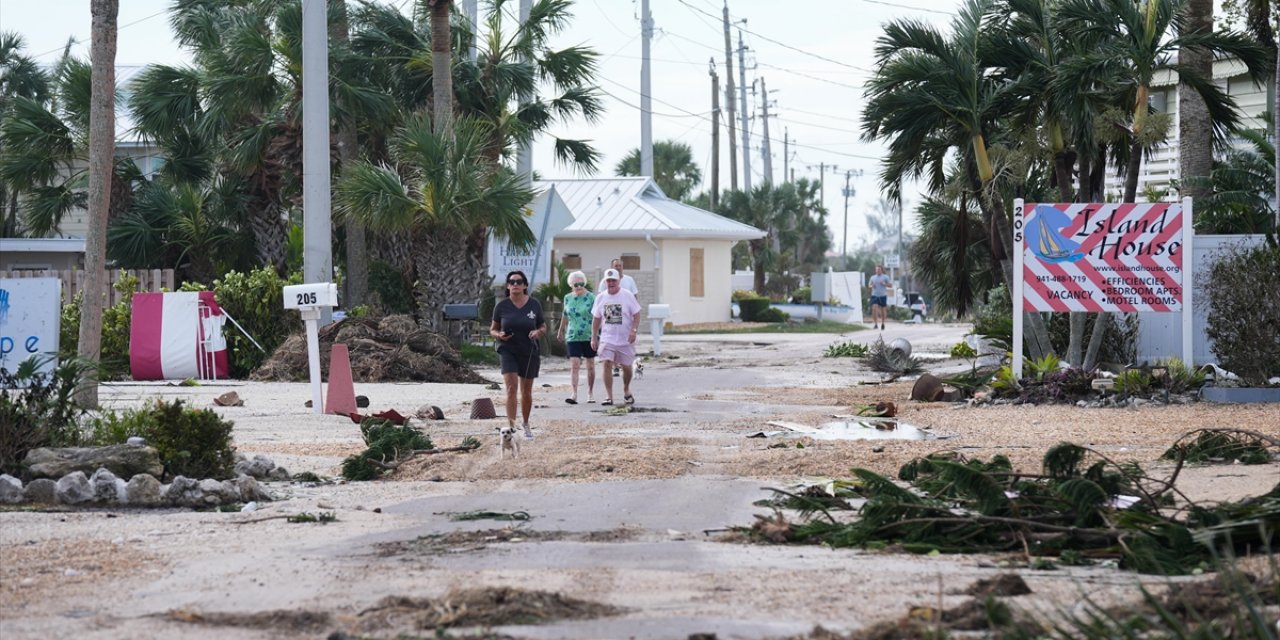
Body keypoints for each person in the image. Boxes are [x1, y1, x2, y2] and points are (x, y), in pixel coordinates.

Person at [489, 270, 547, 439]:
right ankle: (511, 426)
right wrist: (499, 335)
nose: (515, 284)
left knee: (526, 391)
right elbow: (493, 329)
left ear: (525, 285)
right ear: (508, 286)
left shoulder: (534, 304)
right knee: (511, 388)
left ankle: (526, 423)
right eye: (512, 282)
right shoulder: (501, 306)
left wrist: (538, 332)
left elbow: (543, 326)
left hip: (529, 350)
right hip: (508, 349)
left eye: (519, 282)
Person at [591, 268, 642, 406]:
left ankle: (626, 389)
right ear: (605, 282)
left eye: (613, 280)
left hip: (625, 338)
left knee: (626, 367)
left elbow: (637, 314)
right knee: (606, 363)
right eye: (608, 281)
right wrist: (593, 337)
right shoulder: (601, 297)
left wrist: (634, 330)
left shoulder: (627, 295)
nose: (611, 283)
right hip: (607, 338)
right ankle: (609, 396)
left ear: (618, 281)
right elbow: (596, 318)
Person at [556, 270, 597, 404]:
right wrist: (560, 330)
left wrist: (597, 335)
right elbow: (565, 314)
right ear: (571, 285)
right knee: (574, 364)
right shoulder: (567, 298)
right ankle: (574, 393)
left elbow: (597, 317)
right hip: (572, 335)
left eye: (581, 284)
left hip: (589, 335)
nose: (579, 287)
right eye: (576, 284)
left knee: (590, 365)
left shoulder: (592, 297)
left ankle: (590, 392)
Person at [868, 264, 893, 331]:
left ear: (882, 270)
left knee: (883, 310)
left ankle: (883, 323)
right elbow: (869, 285)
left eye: (879, 269)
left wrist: (884, 284)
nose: (877, 270)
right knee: (874, 308)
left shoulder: (885, 277)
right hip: (874, 295)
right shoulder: (872, 277)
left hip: (883, 295)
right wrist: (872, 286)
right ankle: (875, 324)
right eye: (876, 269)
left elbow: (890, 285)